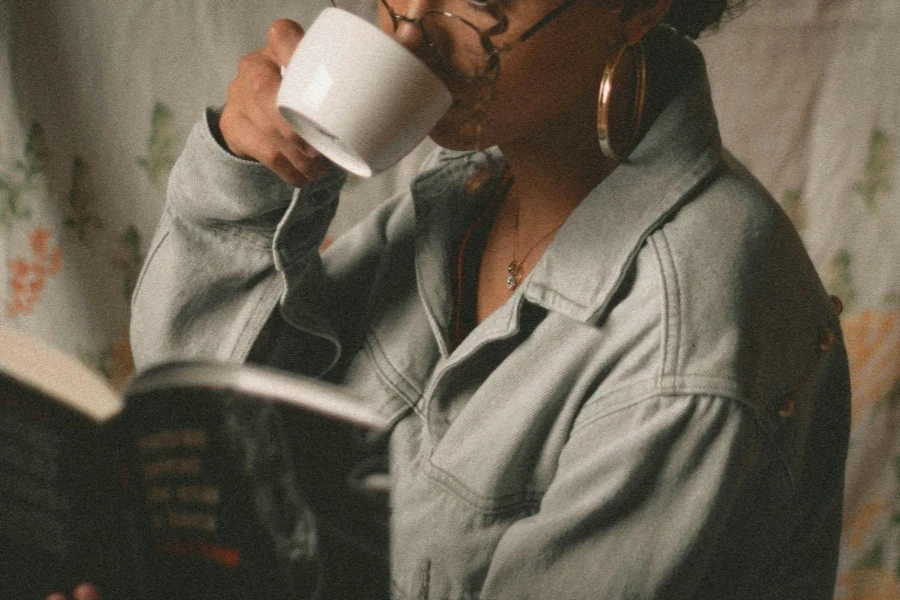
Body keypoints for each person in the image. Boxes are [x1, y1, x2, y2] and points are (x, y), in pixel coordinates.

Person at [58, 0, 852, 598]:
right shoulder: (473, 195)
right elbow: (204, 436)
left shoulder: (689, 348)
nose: (409, 33)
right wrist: (247, 176)